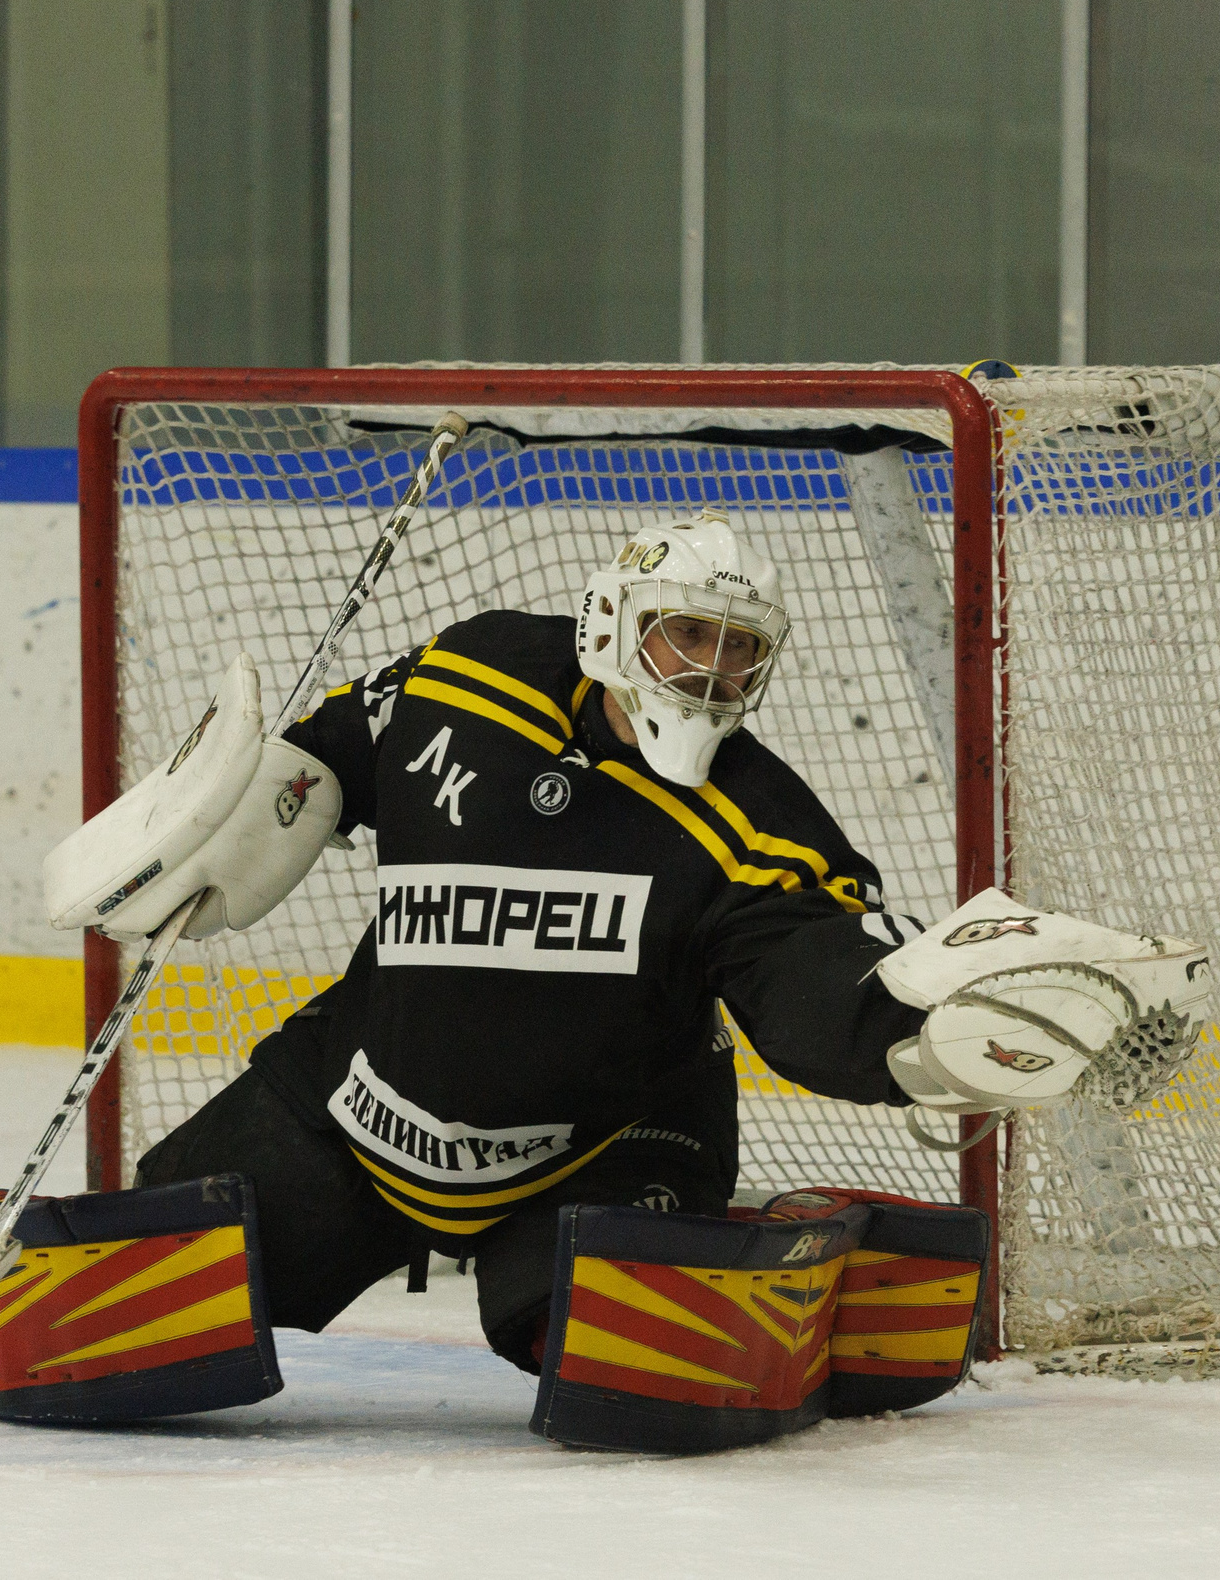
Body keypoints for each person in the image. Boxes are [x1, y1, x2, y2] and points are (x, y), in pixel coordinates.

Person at [136, 509, 935, 1377]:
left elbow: (812, 984)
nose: (713, 666)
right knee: (141, 1294)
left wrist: (918, 1031)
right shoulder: (464, 679)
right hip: (358, 1104)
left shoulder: (763, 825)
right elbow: (327, 756)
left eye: (739, 645)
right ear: (614, 622)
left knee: (623, 1361)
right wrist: (224, 813)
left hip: (606, 1147)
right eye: (689, 632)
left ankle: (722, 1258)